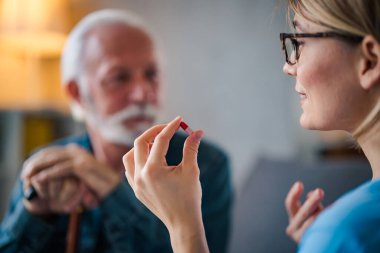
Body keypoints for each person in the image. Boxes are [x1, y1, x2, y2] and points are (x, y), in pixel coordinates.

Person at [123, 0, 380, 252]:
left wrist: (182, 226)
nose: (288, 66)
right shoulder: (347, 230)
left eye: (300, 43)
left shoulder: (347, 232)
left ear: (369, 61)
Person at [0, 9, 232, 253]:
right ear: (76, 93)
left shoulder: (201, 165)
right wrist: (35, 214)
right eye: (119, 77)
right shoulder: (46, 167)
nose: (142, 94)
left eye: (151, 74)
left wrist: (109, 186)